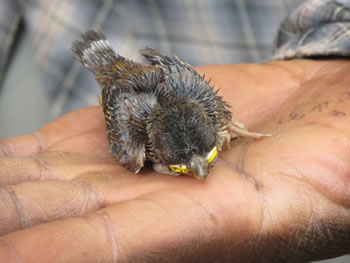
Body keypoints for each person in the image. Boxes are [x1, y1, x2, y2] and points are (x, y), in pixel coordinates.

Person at [0, 0, 350, 262]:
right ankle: (98, 55)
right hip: (101, 70)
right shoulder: (134, 145)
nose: (200, 171)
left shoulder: (211, 107)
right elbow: (119, 95)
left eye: (205, 155)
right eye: (185, 165)